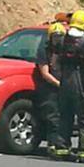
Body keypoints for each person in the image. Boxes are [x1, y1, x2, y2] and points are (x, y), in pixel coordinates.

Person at [52, 10, 84, 163]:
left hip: (65, 83)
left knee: (65, 117)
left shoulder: (63, 40)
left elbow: (54, 62)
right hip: (81, 85)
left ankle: (61, 149)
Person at [36, 22, 65, 156]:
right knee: (52, 117)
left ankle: (62, 144)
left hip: (65, 90)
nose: (58, 40)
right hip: (49, 90)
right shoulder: (44, 51)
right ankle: (52, 144)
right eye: (55, 37)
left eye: (60, 37)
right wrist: (59, 84)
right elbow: (45, 73)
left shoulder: (66, 51)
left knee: (64, 117)